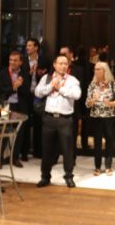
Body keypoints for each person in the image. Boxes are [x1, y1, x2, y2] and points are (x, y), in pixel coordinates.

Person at [35, 55, 81, 188]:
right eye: (60, 63)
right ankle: (45, 177)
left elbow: (77, 95)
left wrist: (61, 88)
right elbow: (38, 92)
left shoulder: (72, 80)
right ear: (54, 65)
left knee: (67, 150)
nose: (63, 66)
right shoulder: (46, 78)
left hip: (64, 119)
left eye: (66, 64)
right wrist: (51, 86)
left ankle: (69, 176)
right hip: (48, 118)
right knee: (47, 149)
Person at [85, 62, 115, 176]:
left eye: (98, 69)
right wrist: (93, 100)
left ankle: (108, 166)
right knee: (97, 142)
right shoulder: (92, 85)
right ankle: (97, 167)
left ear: (105, 71)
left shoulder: (113, 84)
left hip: (109, 117)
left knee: (110, 140)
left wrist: (110, 103)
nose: (96, 71)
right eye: (95, 69)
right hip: (96, 117)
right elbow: (87, 104)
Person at [0, 50, 30, 167]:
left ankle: (15, 157)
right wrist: (13, 87)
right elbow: (0, 91)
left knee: (19, 133)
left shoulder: (25, 74)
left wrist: (20, 86)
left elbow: (27, 91)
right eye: (10, 60)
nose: (12, 62)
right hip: (6, 106)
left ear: (21, 62)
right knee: (4, 132)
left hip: (20, 105)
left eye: (15, 60)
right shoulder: (2, 73)